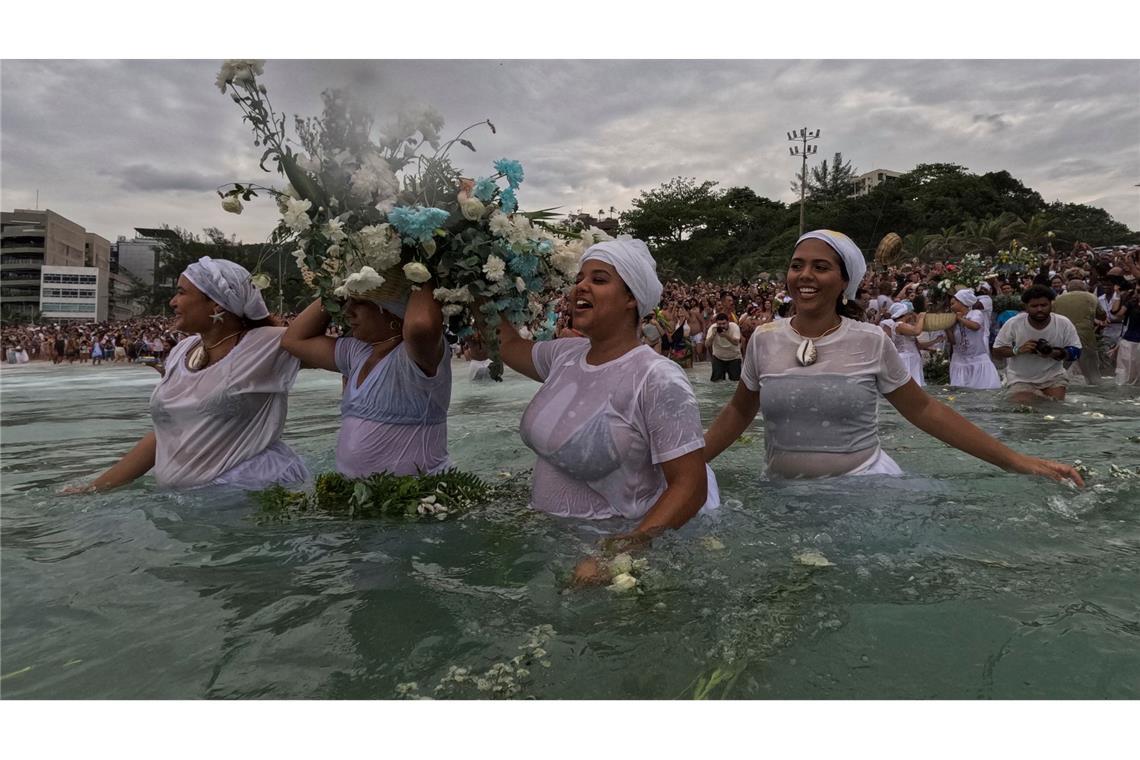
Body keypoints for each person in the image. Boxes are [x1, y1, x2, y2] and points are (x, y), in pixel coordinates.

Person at [703, 230, 1083, 485]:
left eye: (821, 267)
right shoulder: (764, 340)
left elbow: (925, 411)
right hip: (781, 493)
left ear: (843, 281)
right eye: (797, 265)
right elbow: (737, 413)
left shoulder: (871, 340)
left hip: (864, 489)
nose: (805, 275)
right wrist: (684, 467)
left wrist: (1016, 460)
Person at [495, 238, 719, 582]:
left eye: (599, 279)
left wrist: (620, 552)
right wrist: (477, 282)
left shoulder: (656, 377)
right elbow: (507, 345)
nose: (581, 286)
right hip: (545, 542)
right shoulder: (564, 355)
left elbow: (690, 485)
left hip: (608, 560)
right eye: (580, 278)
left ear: (631, 299)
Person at [65, 257, 308, 493]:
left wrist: (341, 279)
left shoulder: (266, 343)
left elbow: (340, 354)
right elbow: (168, 431)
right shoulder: (183, 349)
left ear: (216, 304)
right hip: (187, 504)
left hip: (247, 491)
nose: (172, 301)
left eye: (181, 293)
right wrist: (94, 488)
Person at [281, 272, 451, 478]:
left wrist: (420, 267)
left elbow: (420, 325)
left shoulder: (417, 355)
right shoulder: (356, 353)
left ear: (392, 311)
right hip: (356, 494)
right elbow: (293, 340)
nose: (347, 311)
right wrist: (337, 287)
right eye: (346, 301)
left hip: (420, 497)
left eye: (359, 302)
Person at [992, 284, 1082, 403]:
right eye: (1034, 306)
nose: (1039, 309)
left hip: (1054, 377)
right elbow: (996, 351)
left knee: (1055, 408)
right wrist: (1018, 350)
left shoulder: (1063, 323)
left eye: (1044, 305)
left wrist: (1053, 352)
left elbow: (1076, 352)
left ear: (1051, 304)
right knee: (1025, 410)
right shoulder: (1014, 323)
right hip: (1021, 379)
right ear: (1026, 307)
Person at [1052, 279, 1106, 385]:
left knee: (1060, 365)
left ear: (1068, 288)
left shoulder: (1058, 299)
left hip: (1063, 336)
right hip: (1086, 336)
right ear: (1084, 287)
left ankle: (1053, 384)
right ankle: (1096, 389)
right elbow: (1102, 315)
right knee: (1091, 368)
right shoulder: (1091, 297)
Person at [946, 289, 1001, 390]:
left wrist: (960, 319)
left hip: (977, 359)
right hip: (959, 361)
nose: (951, 307)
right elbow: (953, 342)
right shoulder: (953, 318)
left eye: (953, 303)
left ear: (962, 302)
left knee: (982, 391)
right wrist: (948, 329)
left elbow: (975, 326)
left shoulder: (975, 313)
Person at [879, 301, 929, 386]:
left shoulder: (904, 325)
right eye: (908, 314)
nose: (910, 316)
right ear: (904, 314)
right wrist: (921, 318)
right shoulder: (899, 325)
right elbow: (916, 331)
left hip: (912, 358)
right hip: (906, 359)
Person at [1109, 280, 1140, 385]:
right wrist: (1117, 295)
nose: (1137, 293)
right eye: (1137, 290)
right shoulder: (1132, 303)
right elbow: (1116, 313)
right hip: (1129, 342)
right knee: (1124, 374)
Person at [705, 313, 742, 381]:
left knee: (735, 381)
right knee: (716, 382)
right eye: (719, 324)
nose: (722, 326)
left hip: (734, 358)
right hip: (718, 358)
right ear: (716, 323)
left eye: (724, 323)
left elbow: (736, 342)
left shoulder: (734, 327)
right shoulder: (713, 328)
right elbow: (707, 345)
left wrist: (726, 335)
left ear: (728, 322)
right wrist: (713, 335)